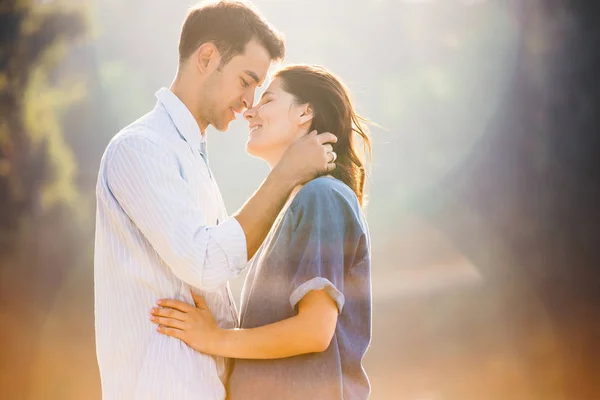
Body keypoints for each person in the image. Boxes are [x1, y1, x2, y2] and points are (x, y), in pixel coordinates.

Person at [94, 2, 337, 399]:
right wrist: (286, 173)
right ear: (206, 57)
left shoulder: (192, 160)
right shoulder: (141, 149)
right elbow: (205, 263)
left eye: (259, 90)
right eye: (246, 80)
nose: (249, 102)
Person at [150, 64, 372, 400]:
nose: (250, 111)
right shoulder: (295, 206)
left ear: (305, 112)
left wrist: (216, 338)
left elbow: (314, 331)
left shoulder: (322, 195)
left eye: (267, 100)